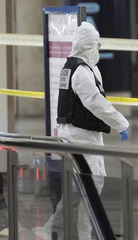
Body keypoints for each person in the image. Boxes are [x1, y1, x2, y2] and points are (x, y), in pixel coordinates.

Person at [36, 22, 130, 240]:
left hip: (81, 135)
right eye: (96, 46)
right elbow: (95, 101)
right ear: (89, 46)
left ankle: (84, 234)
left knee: (85, 189)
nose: (98, 50)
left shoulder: (79, 67)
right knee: (84, 188)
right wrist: (121, 123)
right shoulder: (80, 72)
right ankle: (51, 230)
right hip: (81, 138)